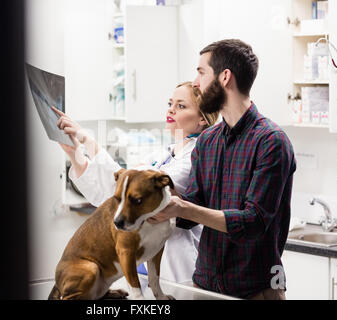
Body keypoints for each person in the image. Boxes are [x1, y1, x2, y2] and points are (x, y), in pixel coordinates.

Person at [148, 39, 297, 300]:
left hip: (256, 289)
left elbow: (254, 221)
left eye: (202, 72)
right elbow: (193, 208)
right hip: (205, 284)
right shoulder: (208, 141)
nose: (195, 82)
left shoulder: (271, 141)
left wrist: (185, 208)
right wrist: (163, 201)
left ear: (225, 77)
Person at [52, 81, 219, 284]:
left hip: (174, 263)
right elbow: (116, 195)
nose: (171, 110)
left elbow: (137, 190)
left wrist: (87, 141)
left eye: (181, 106)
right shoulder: (164, 153)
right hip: (144, 255)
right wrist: (75, 152)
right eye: (170, 103)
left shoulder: (197, 154)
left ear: (202, 117)